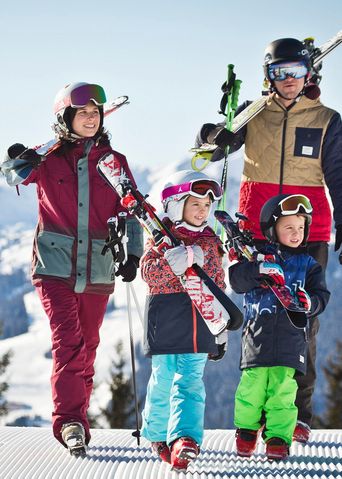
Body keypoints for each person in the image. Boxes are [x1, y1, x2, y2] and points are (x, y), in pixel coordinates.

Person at [195, 37, 342, 442]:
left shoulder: (327, 118)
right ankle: (254, 415)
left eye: (296, 71)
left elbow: (338, 173)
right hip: (257, 230)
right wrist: (213, 134)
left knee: (302, 321)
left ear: (308, 73)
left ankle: (297, 415)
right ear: (268, 76)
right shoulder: (254, 113)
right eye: (280, 73)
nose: (289, 80)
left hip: (305, 231)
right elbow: (212, 150)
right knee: (260, 318)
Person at [1, 82, 143, 453]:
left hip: (97, 266)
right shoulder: (47, 159)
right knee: (69, 342)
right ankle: (70, 422)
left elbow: (131, 210)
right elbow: (12, 175)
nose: (91, 118)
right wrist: (17, 158)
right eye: (83, 113)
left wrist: (133, 254)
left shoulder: (114, 162)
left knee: (89, 346)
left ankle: (77, 416)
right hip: (55, 265)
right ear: (66, 117)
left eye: (95, 113)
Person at [229, 194, 330, 460]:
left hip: (291, 340)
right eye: (289, 228)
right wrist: (258, 269)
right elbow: (236, 281)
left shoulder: (309, 265)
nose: (296, 233)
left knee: (283, 390)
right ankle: (247, 430)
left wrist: (310, 303)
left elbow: (322, 296)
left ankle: (278, 437)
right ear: (273, 230)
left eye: (300, 228)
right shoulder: (258, 257)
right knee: (252, 386)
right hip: (257, 338)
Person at [140, 170, 227, 472]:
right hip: (165, 321)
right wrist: (171, 261)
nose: (202, 211)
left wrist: (222, 328)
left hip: (200, 324)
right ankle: (157, 434)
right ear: (176, 205)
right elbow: (150, 275)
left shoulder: (211, 242)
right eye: (195, 204)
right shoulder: (159, 238)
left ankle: (185, 438)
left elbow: (218, 284)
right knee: (163, 379)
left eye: (206, 206)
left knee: (190, 382)